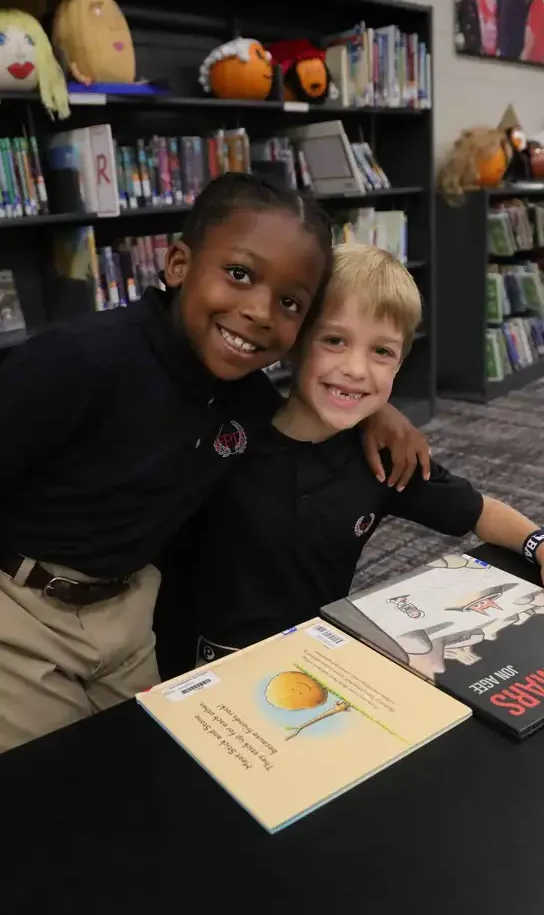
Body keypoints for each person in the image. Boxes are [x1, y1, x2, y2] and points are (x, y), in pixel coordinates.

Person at [0, 174, 428, 753]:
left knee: (146, 766)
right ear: (178, 265)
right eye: (240, 274)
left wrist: (379, 411)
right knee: (43, 788)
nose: (258, 311)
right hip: (21, 609)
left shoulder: (246, 399)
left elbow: (306, 412)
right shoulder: (78, 362)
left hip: (126, 610)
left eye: (290, 303)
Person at [188, 245, 544, 666]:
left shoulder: (385, 460)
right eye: (334, 340)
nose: (356, 369)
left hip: (309, 658)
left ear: (399, 365)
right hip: (186, 666)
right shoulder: (227, 418)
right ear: (295, 340)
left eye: (382, 352)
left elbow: (478, 510)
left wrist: (538, 544)